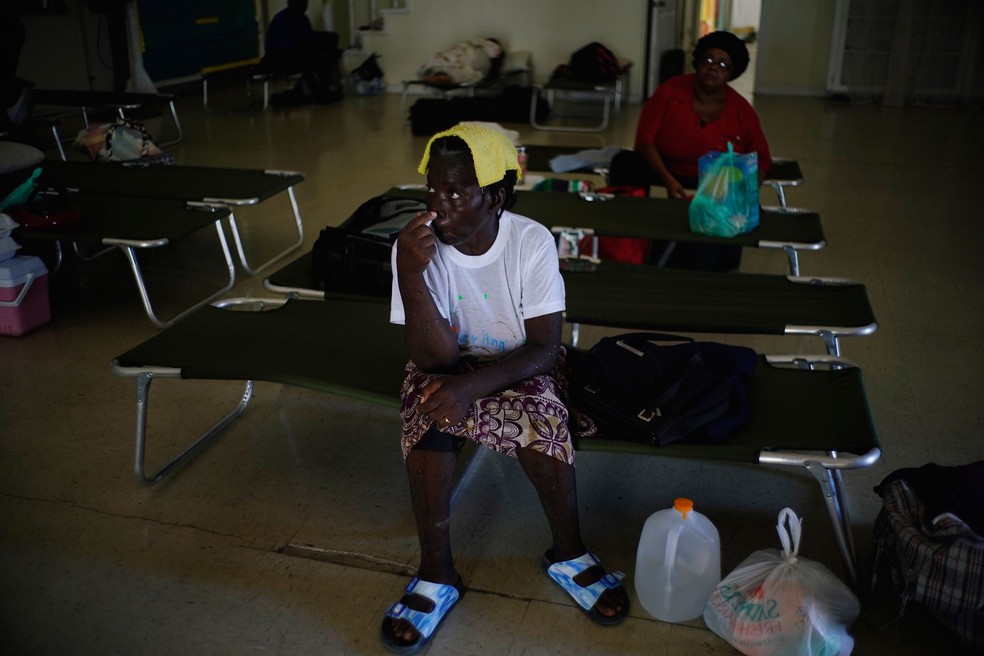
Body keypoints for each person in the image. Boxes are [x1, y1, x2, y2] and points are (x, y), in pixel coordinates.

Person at [381, 123, 628, 653]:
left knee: (543, 425)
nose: (436, 206)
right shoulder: (415, 250)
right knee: (427, 418)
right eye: (431, 191)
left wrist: (471, 391)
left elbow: (543, 348)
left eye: (454, 193)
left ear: (494, 197)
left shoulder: (530, 241)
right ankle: (436, 570)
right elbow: (431, 359)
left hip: (521, 364)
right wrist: (409, 275)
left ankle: (567, 551)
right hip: (450, 363)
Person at [609, 31, 772, 270]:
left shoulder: (741, 111)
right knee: (624, 163)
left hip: (715, 184)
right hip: (668, 169)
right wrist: (668, 180)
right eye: (708, 60)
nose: (713, 68)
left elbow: (762, 160)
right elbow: (645, 140)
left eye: (723, 64)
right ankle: (631, 243)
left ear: (731, 73)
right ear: (697, 63)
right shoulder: (669, 93)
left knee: (721, 229)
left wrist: (737, 198)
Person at [261, 0, 342, 105]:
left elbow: (309, 40)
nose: (304, 6)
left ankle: (323, 89)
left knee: (327, 53)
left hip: (297, 54)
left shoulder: (303, 19)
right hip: (278, 58)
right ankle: (318, 92)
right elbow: (285, 47)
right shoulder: (282, 20)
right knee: (307, 57)